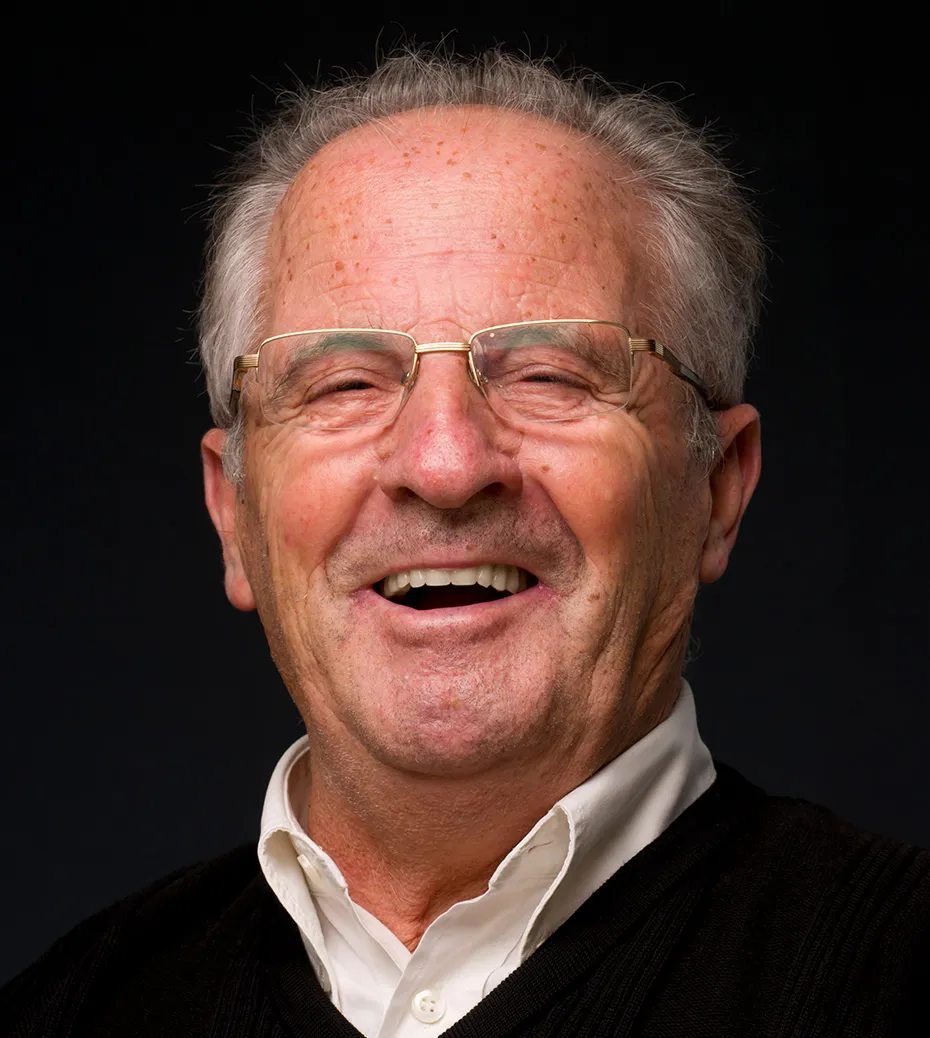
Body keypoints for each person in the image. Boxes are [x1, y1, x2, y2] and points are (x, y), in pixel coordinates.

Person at [3, 48, 927, 1038]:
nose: (445, 463)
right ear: (232, 512)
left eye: (551, 376)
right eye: (344, 385)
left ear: (717, 488)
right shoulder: (67, 1013)